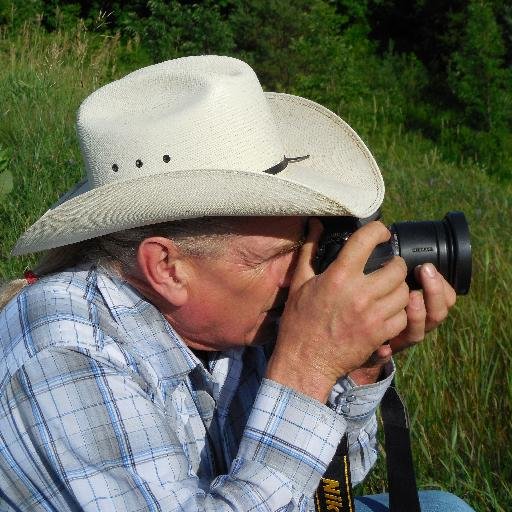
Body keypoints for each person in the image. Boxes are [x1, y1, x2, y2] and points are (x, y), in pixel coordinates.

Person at [0, 56, 474, 511]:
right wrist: (307, 367)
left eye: (311, 243)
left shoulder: (233, 318)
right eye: (282, 255)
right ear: (166, 267)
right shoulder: (64, 353)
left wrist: (355, 368)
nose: (306, 276)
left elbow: (320, 490)